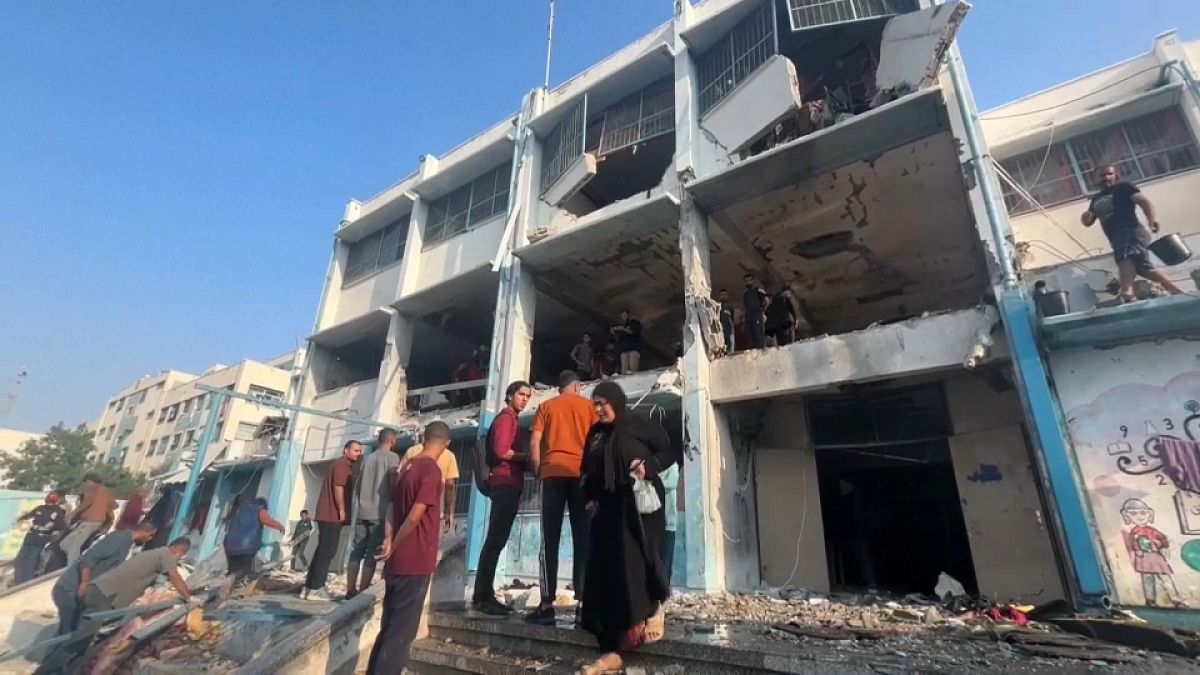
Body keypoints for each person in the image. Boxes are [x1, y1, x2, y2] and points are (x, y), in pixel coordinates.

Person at [578, 381, 678, 675]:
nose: (598, 409)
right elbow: (586, 471)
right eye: (594, 404)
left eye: (602, 403)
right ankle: (610, 642)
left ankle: (654, 611)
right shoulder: (595, 434)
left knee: (639, 560)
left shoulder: (637, 423)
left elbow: (669, 449)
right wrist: (589, 497)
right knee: (605, 567)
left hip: (639, 505)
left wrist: (650, 466)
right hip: (607, 510)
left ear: (616, 402)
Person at [366, 421, 452, 673]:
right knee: (400, 636)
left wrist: (389, 539)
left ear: (424, 439)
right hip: (415, 562)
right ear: (447, 444)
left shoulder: (407, 468)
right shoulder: (432, 471)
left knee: (389, 629)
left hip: (397, 564)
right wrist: (395, 545)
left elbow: (392, 508)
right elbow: (416, 516)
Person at [40, 537, 195, 675]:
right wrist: (189, 598)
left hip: (100, 592)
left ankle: (68, 671)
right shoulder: (165, 555)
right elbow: (175, 576)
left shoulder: (153, 554)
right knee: (80, 640)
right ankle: (43, 671)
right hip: (103, 595)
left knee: (84, 640)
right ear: (178, 551)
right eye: (180, 556)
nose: (178, 559)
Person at [525, 371, 598, 626]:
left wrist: (537, 467)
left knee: (549, 540)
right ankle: (583, 605)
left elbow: (535, 441)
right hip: (581, 475)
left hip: (552, 472)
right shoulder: (589, 407)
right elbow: (597, 442)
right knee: (584, 538)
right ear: (577, 387)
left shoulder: (546, 407)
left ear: (560, 388)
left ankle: (546, 605)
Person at [472, 380, 532, 615]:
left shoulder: (512, 419)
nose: (525, 399)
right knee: (495, 541)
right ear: (509, 396)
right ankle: (482, 596)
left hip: (508, 483)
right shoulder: (506, 419)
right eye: (521, 394)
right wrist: (527, 456)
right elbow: (501, 451)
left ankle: (484, 595)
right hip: (504, 483)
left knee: (496, 541)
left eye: (528, 396)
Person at [1082, 165, 1184, 301]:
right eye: (1102, 175)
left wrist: (1152, 219)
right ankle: (1179, 292)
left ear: (1115, 176)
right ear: (1095, 179)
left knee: (1124, 257)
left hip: (1130, 231)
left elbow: (1144, 202)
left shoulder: (1123, 188)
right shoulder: (1096, 199)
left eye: (1109, 174)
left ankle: (1127, 293)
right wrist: (1085, 218)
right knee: (1145, 269)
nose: (1106, 177)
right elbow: (1089, 221)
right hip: (1116, 237)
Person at [51, 522, 157, 636]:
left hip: (80, 592)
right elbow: (88, 559)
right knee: (68, 633)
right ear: (145, 532)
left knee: (73, 631)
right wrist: (84, 583)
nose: (149, 539)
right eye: (150, 536)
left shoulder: (127, 543)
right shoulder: (119, 539)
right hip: (70, 589)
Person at [304, 440, 363, 601]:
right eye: (356, 450)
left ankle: (309, 587)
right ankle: (316, 588)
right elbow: (339, 487)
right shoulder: (342, 466)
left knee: (321, 551)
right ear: (346, 450)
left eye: (360, 451)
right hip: (332, 515)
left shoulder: (341, 465)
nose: (358, 454)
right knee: (327, 551)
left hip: (327, 515)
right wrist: (342, 510)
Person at [347, 428, 401, 598]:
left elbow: (358, 484)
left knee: (357, 551)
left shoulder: (367, 458)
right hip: (380, 511)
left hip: (362, 510)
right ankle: (362, 591)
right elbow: (393, 484)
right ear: (392, 441)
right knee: (372, 553)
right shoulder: (393, 458)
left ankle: (350, 590)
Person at [400, 435, 460, 533]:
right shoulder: (449, 455)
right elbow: (450, 485)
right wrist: (449, 511)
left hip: (407, 511)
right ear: (447, 442)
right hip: (434, 512)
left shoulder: (412, 451)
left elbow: (400, 476)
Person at [223, 496, 286, 586]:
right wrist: (280, 526)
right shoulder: (260, 510)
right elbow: (266, 520)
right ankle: (236, 584)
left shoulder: (240, 510)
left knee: (232, 569)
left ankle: (229, 586)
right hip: (246, 547)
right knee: (245, 570)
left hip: (229, 545)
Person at [13, 492, 67, 585]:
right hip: (31, 535)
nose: (49, 503)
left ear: (56, 501)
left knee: (32, 561)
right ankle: (18, 581)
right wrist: (20, 519)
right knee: (19, 560)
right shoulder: (40, 508)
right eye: (48, 501)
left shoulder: (59, 512)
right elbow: (29, 515)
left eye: (52, 501)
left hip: (42, 537)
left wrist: (51, 532)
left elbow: (60, 527)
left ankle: (27, 583)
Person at [660, 463, 680, 587]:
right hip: (656, 523)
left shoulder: (672, 466)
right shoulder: (654, 465)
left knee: (667, 558)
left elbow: (671, 483)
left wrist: (653, 483)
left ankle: (665, 586)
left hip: (669, 522)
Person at [143, 485, 181, 550]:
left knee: (150, 546)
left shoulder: (164, 500)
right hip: (165, 529)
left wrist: (146, 521)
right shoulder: (175, 501)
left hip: (157, 527)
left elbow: (153, 512)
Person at [611, 310, 643, 375]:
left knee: (633, 369)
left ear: (628, 315)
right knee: (624, 371)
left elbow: (633, 332)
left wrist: (624, 329)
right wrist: (613, 333)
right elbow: (618, 340)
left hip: (633, 349)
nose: (623, 317)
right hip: (624, 350)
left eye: (624, 315)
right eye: (622, 316)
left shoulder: (634, 323)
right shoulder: (622, 326)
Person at [742, 274, 769, 350]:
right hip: (749, 318)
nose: (748, 282)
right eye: (746, 281)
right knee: (751, 338)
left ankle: (762, 353)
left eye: (749, 280)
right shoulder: (745, 295)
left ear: (753, 281)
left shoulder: (758, 290)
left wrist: (763, 312)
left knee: (759, 336)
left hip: (757, 315)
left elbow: (766, 301)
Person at [717, 289, 736, 354]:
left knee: (731, 351)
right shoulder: (717, 307)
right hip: (720, 333)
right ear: (719, 296)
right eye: (721, 295)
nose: (723, 296)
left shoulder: (730, 308)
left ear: (727, 296)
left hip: (729, 332)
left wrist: (732, 334)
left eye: (725, 295)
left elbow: (732, 321)